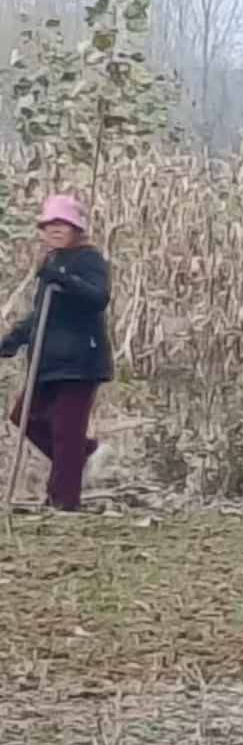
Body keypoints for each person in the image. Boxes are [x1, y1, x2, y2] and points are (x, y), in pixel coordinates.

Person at [0, 195, 113, 512]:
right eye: (49, 225)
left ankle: (64, 502)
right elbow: (41, 314)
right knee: (25, 417)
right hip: (47, 362)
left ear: (77, 228)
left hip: (79, 362)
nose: (55, 229)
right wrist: (14, 340)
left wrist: (64, 279)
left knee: (66, 434)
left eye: (62, 224)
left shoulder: (89, 260)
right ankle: (84, 454)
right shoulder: (51, 261)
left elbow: (98, 297)